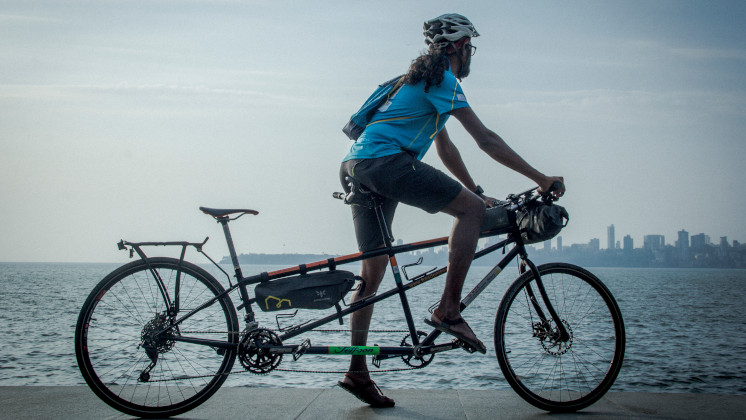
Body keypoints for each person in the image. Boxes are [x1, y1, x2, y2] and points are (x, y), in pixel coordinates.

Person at [336, 13, 565, 407]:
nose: (471, 54)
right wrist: (541, 179)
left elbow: (446, 149)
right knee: (470, 213)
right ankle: (448, 310)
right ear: (460, 47)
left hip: (356, 167)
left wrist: (475, 191)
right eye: (470, 47)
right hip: (386, 162)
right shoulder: (443, 80)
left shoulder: (418, 82)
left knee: (371, 275)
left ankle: (357, 371)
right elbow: (485, 139)